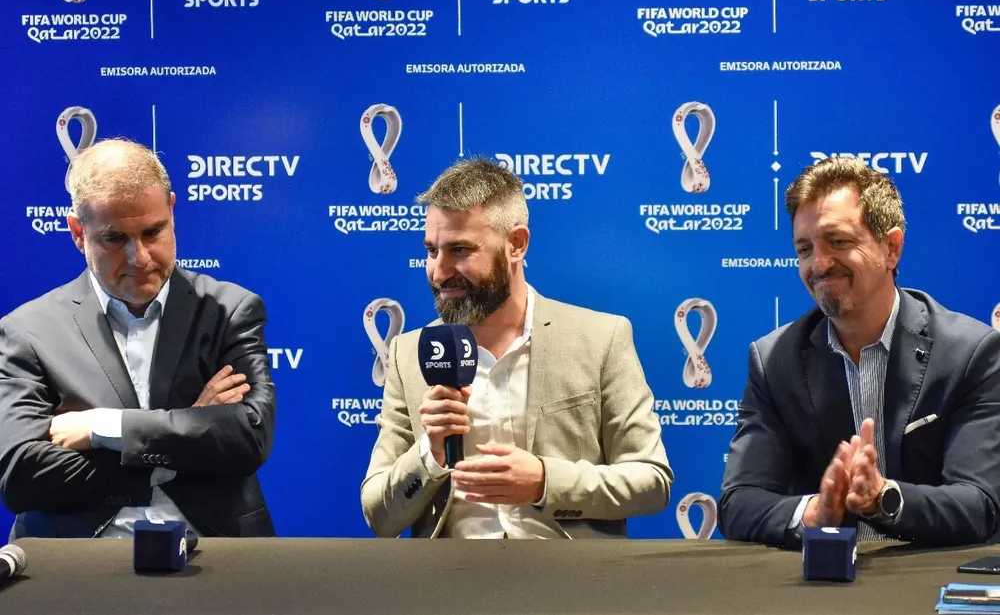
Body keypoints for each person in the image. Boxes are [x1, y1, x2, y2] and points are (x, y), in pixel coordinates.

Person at [361, 158, 673, 538]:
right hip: (449, 587)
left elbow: (652, 482)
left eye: (459, 250)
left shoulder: (601, 338)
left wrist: (544, 481)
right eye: (431, 251)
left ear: (516, 244)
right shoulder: (408, 354)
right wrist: (430, 452)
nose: (439, 272)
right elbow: (378, 514)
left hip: (572, 585)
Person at [0, 139, 277, 540]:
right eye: (114, 239)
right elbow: (21, 475)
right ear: (78, 232)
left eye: (153, 231)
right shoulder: (27, 330)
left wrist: (103, 429)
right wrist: (190, 429)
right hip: (74, 567)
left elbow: (248, 437)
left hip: (220, 558)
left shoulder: (230, 310)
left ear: (172, 212)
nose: (139, 257)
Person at [719, 157, 1000, 548]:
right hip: (819, 592)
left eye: (838, 241)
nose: (818, 264)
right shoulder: (774, 361)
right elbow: (738, 503)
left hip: (926, 583)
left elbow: (980, 503)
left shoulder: (970, 353)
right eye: (804, 249)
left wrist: (883, 499)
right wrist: (815, 513)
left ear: (891, 248)